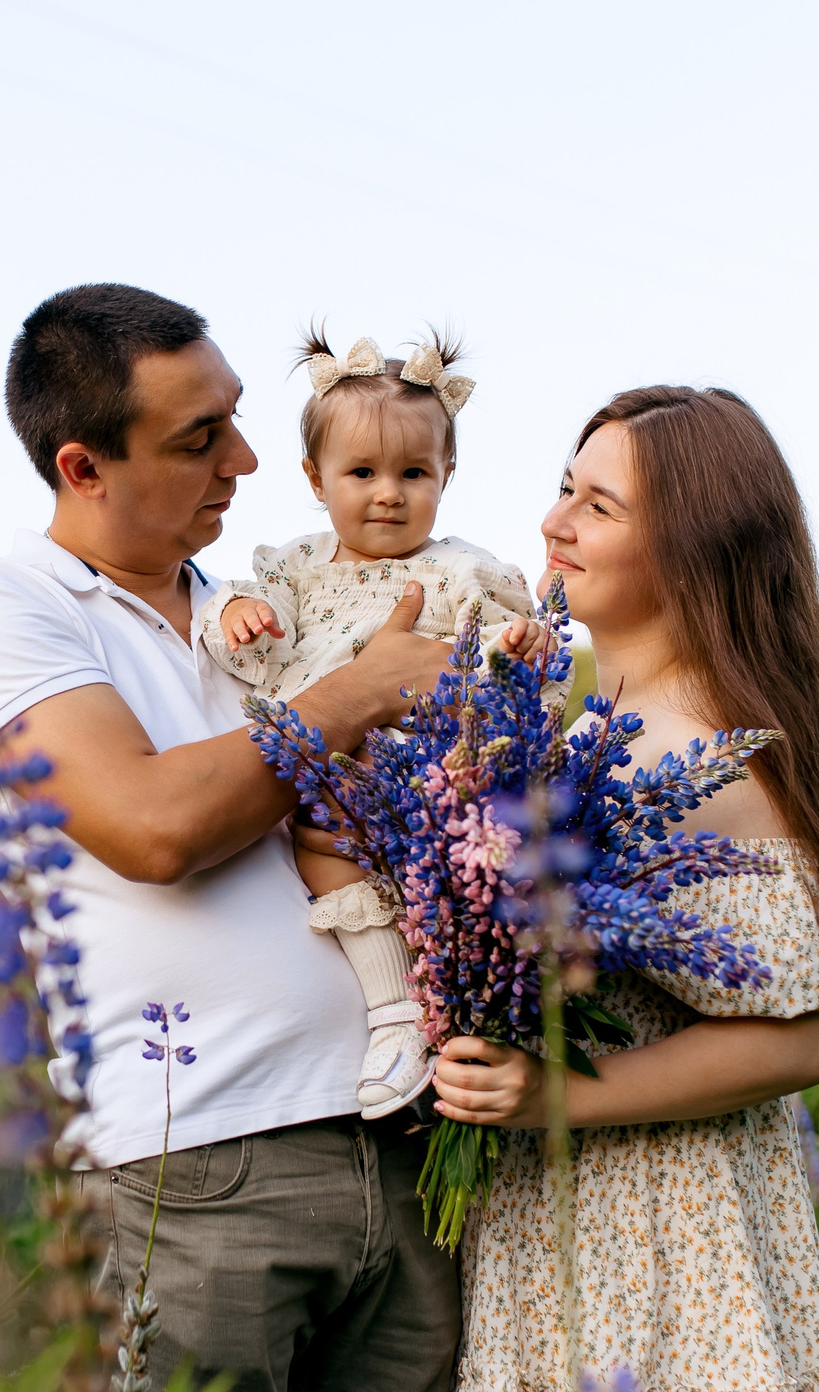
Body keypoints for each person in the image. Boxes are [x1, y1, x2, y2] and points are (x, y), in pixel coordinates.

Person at [0, 284, 458, 1392]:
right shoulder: (5, 609)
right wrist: (350, 696)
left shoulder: (259, 607)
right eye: (203, 436)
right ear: (84, 466)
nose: (247, 464)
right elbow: (153, 825)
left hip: (396, 1146)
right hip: (191, 1163)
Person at [410, 387, 819, 1392]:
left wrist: (543, 1099)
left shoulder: (712, 750)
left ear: (690, 545)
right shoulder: (591, 730)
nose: (554, 520)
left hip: (661, 1229)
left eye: (599, 500)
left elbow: (799, 1037)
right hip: (565, 1225)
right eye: (564, 487)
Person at [201, 328, 556, 1116]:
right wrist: (238, 611)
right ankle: (395, 1013)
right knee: (324, 847)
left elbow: (495, 660)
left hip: (431, 772)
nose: (388, 492)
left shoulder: (461, 569)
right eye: (361, 472)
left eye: (413, 472)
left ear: (448, 475)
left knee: (463, 876)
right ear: (315, 479)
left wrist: (516, 647)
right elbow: (246, 642)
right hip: (330, 774)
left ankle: (463, 1003)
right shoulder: (294, 567)